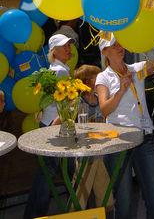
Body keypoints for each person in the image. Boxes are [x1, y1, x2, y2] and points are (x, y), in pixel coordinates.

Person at [95, 35, 154, 219]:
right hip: (118, 141)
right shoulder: (103, 77)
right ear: (105, 52)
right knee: (123, 202)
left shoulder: (135, 69)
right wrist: (121, 90)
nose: (120, 47)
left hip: (144, 138)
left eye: (121, 43)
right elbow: (105, 110)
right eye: (114, 45)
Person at [24, 33, 73, 219]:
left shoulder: (53, 69)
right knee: (48, 175)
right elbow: (64, 104)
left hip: (49, 123)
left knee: (48, 173)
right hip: (55, 125)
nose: (68, 49)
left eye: (69, 45)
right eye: (64, 46)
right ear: (54, 51)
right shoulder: (60, 71)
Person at [73, 65, 112, 211]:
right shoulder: (77, 102)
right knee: (84, 191)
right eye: (98, 77)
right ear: (88, 81)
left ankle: (103, 209)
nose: (102, 80)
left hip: (102, 150)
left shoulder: (101, 99)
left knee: (99, 188)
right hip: (86, 153)